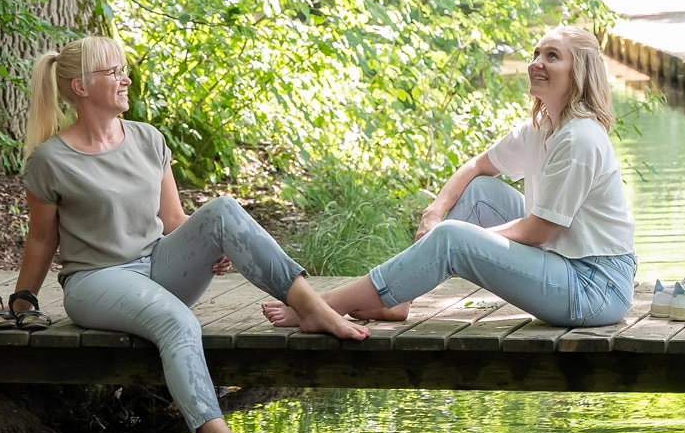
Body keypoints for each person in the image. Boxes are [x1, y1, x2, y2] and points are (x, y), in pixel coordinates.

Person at [4, 36, 369, 433]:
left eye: (124, 69)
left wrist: (207, 247)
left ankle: (310, 307)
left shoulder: (148, 139)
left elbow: (174, 219)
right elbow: (42, 239)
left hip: (156, 268)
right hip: (96, 282)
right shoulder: (49, 160)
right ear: (81, 87)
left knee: (223, 211)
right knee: (178, 321)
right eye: (114, 72)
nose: (126, 78)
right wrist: (24, 297)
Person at [264, 25, 638, 330]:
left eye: (552, 56)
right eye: (536, 53)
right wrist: (436, 212)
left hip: (594, 288)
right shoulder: (541, 128)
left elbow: (538, 232)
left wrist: (463, 240)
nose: (536, 62)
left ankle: (321, 306)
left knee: (453, 240)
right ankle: (398, 299)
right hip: (564, 261)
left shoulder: (581, 138)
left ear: (579, 72)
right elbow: (477, 166)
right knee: (478, 193)